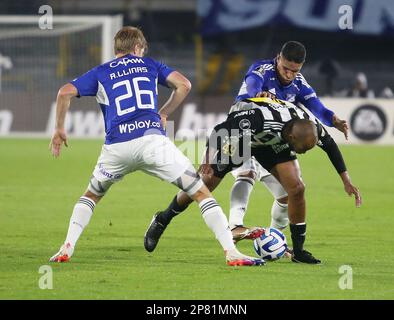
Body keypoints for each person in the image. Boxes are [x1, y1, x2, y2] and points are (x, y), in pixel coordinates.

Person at [48, 26, 264, 267]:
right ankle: (231, 252)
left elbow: (64, 92)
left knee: (91, 195)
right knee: (200, 191)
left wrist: (59, 128)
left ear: (116, 49)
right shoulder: (149, 65)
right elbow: (184, 85)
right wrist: (164, 113)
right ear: (139, 48)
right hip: (152, 142)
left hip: (117, 148)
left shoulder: (100, 72)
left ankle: (67, 246)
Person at [144, 97, 362, 264]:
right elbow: (220, 130)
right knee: (206, 182)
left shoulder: (309, 124)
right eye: (303, 149)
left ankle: (299, 251)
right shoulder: (257, 119)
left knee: (296, 188)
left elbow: (331, 146)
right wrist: (207, 161)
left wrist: (346, 180)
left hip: (271, 143)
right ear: (293, 138)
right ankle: (163, 219)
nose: (303, 153)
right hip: (242, 138)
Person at [228, 41, 354, 242]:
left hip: (271, 142)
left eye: (294, 71)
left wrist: (333, 119)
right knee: (247, 173)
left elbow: (317, 107)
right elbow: (252, 87)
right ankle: (234, 226)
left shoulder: (299, 83)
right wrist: (259, 96)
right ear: (278, 57)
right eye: (286, 68)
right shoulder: (262, 69)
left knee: (289, 195)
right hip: (243, 130)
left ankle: (274, 239)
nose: (289, 74)